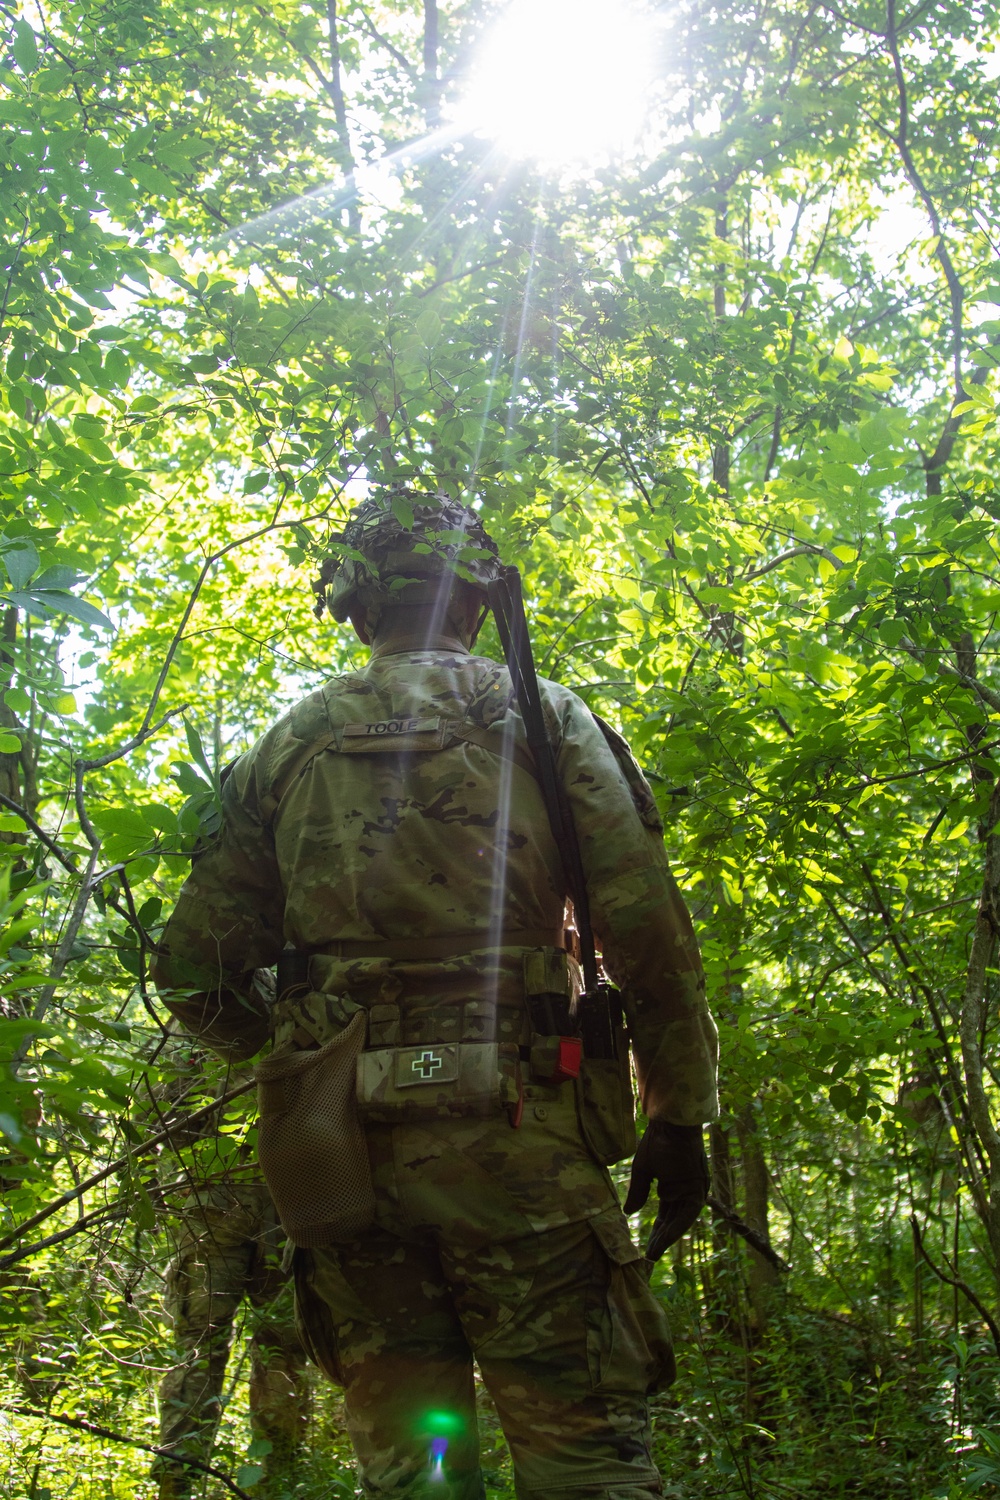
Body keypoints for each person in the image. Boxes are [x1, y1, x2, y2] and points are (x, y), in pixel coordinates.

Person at [152, 490, 718, 1500]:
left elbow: (193, 975)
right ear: (477, 600)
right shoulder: (540, 716)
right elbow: (646, 933)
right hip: (526, 1149)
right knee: (583, 1460)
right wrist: (679, 1114)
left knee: (412, 1472)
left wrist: (298, 1051)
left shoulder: (289, 742)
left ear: (355, 609)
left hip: (345, 1163)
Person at [152, 1055, 309, 1500]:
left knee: (228, 1344)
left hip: (231, 1203)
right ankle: (266, 1476)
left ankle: (266, 1476)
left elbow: (163, 1113)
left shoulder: (200, 1024)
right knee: (264, 1345)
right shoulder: (299, 1014)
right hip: (256, 1203)